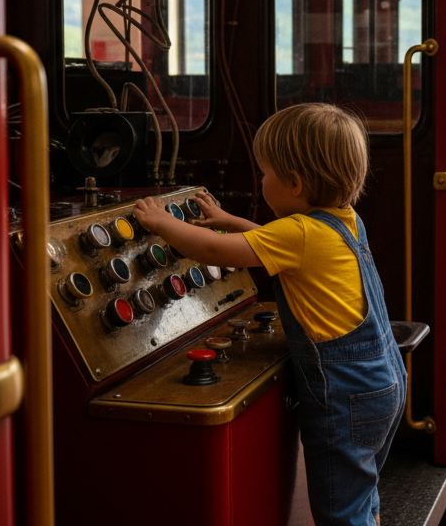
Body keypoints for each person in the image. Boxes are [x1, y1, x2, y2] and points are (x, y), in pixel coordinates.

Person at [133, 102, 406, 526]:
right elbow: (268, 241)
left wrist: (160, 221)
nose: (262, 181)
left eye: (265, 174)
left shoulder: (297, 233)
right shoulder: (342, 222)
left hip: (344, 393)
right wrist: (228, 218)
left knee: (339, 513)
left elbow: (210, 250)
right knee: (360, 493)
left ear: (294, 183)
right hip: (383, 381)